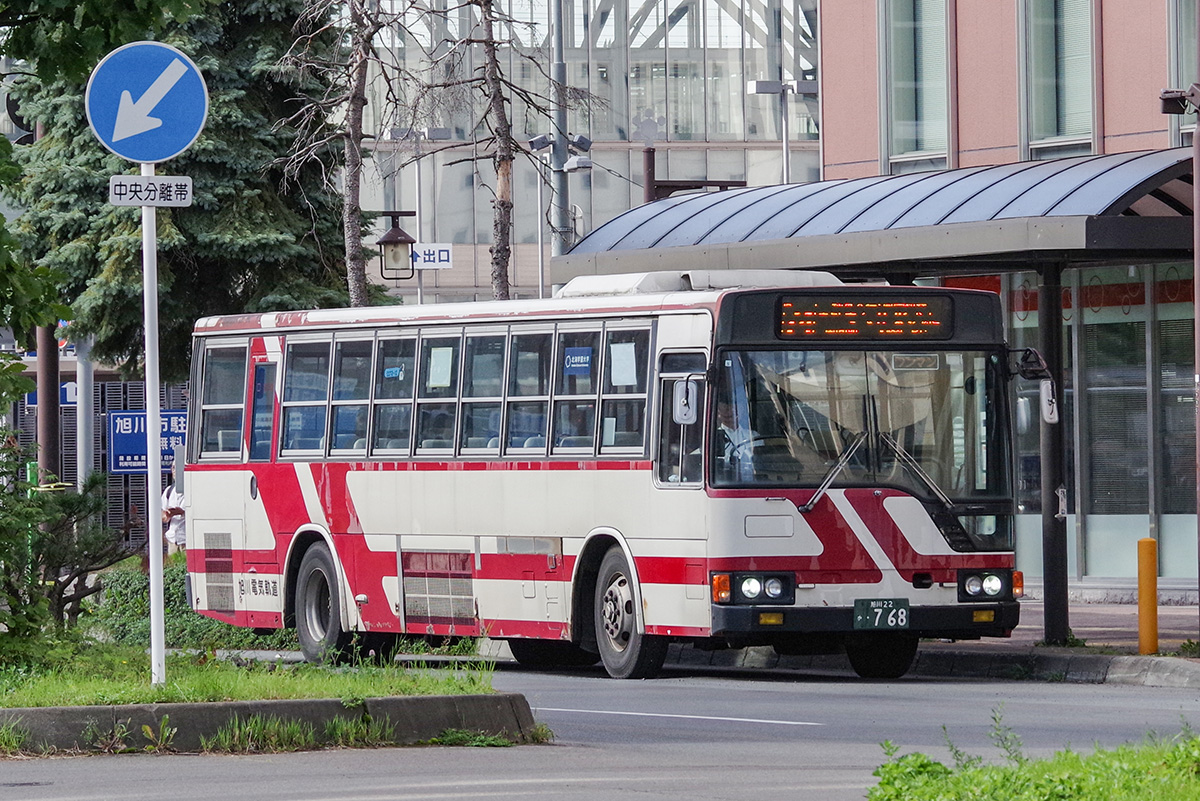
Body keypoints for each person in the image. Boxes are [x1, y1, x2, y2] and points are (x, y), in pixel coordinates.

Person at [716, 399, 757, 480]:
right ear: (718, 413)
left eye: (734, 407)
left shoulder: (754, 436)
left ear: (742, 410)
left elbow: (758, 463)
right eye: (725, 407)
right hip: (724, 480)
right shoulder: (713, 437)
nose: (729, 411)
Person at [161, 463, 185, 553]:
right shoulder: (169, 490)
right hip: (172, 540)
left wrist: (182, 513)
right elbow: (162, 514)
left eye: (177, 467)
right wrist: (166, 515)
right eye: (173, 468)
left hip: (188, 540)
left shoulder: (195, 489)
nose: (175, 471)